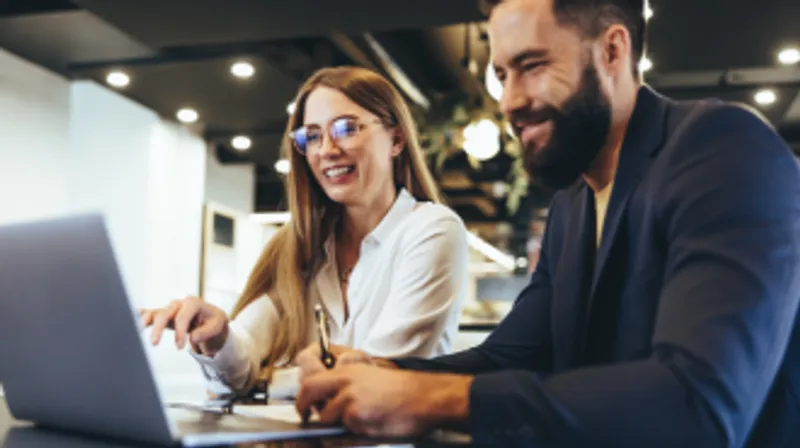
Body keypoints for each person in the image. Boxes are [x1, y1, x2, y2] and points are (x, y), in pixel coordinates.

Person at [294, 0, 800, 446]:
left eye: (531, 66)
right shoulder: (572, 205)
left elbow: (699, 404)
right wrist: (381, 370)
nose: (510, 101)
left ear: (613, 51)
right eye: (501, 76)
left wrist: (435, 398)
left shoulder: (722, 148)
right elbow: (513, 356)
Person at [140, 66, 469, 397]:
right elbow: (240, 363)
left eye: (346, 128)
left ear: (396, 139)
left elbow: (377, 378)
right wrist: (218, 336)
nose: (326, 149)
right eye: (311, 136)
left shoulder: (432, 229)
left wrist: (266, 381)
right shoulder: (302, 246)